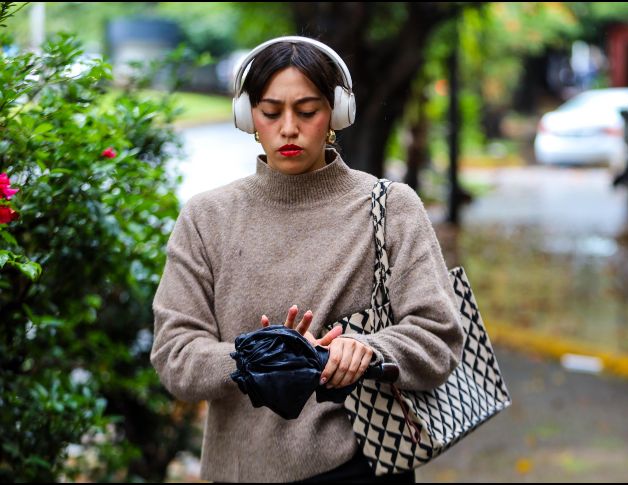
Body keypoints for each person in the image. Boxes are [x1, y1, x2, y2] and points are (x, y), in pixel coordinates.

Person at [150, 35, 464, 483]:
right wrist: (258, 359)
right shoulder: (206, 217)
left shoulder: (391, 206)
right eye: (271, 112)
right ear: (248, 117)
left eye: (308, 111)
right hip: (241, 472)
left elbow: (438, 338)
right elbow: (175, 355)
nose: (289, 128)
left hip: (361, 467)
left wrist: (367, 351)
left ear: (336, 114)